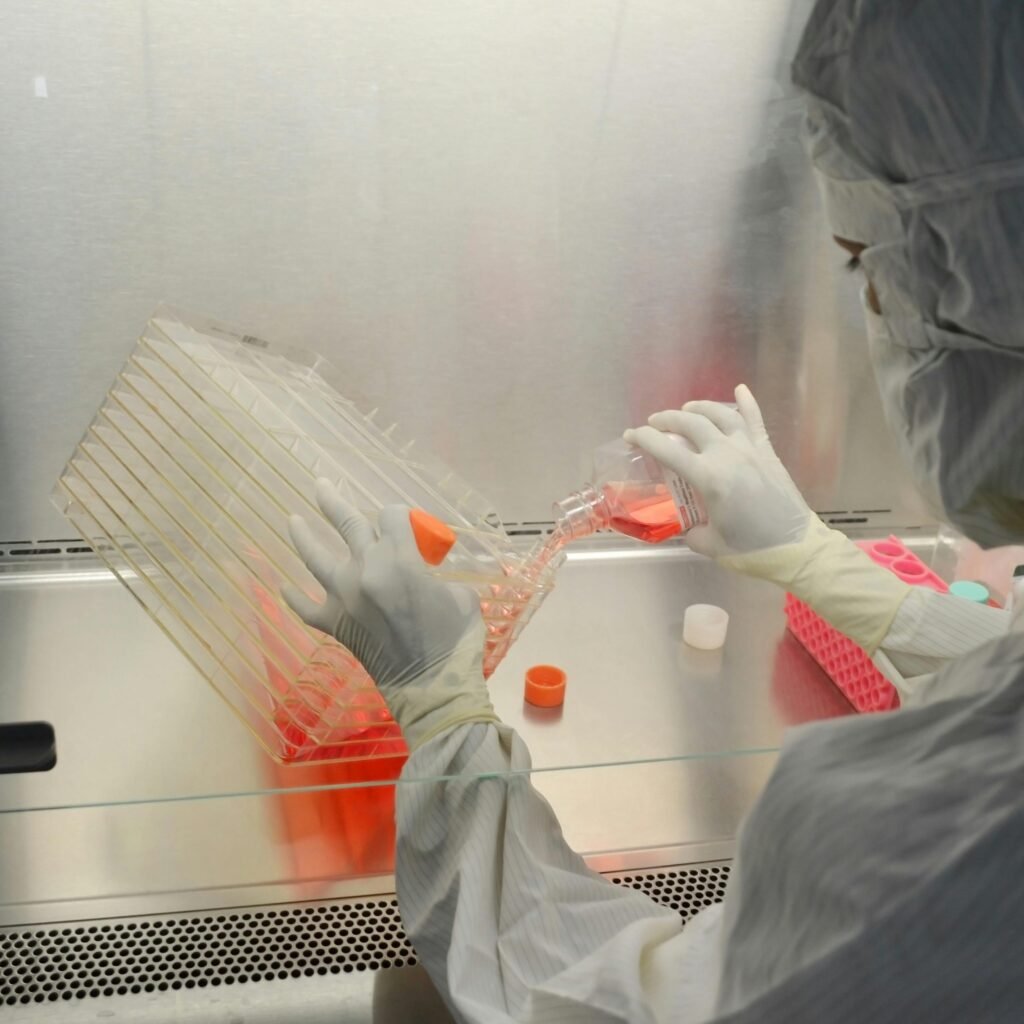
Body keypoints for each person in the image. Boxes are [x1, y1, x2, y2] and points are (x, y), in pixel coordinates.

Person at [286, 1, 1024, 1020]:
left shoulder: (932, 838)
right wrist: (820, 562)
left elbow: (601, 1006)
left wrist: (445, 718)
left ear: (989, 285)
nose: (876, 316)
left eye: (872, 269)